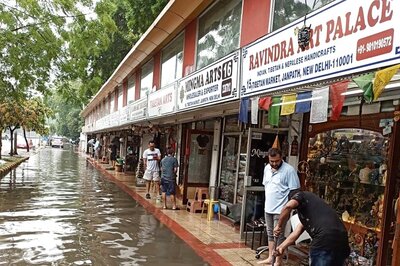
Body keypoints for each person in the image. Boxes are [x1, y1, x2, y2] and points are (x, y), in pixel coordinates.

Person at [273, 190, 350, 266]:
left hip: (324, 240)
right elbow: (296, 232)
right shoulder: (314, 209)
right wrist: (281, 247)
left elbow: (288, 206)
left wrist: (278, 226)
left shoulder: (301, 195)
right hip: (343, 238)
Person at [259, 147, 300, 265]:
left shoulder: (289, 170)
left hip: (281, 209)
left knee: (279, 235)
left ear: (281, 158)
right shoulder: (267, 168)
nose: (274, 163)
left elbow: (295, 192)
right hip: (268, 207)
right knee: (270, 232)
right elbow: (267, 186)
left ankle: (278, 260)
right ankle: (270, 257)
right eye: (272, 161)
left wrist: (288, 207)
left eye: (276, 161)